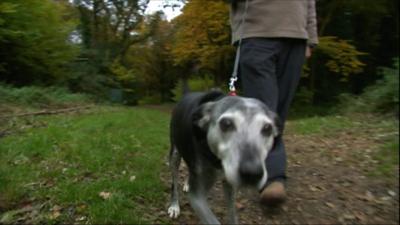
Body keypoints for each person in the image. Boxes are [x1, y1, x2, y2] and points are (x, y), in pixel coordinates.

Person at [229, 0, 318, 205]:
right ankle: (271, 178)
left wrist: (310, 38)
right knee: (264, 113)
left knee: (279, 114)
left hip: (296, 37)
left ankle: (257, 166)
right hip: (256, 33)